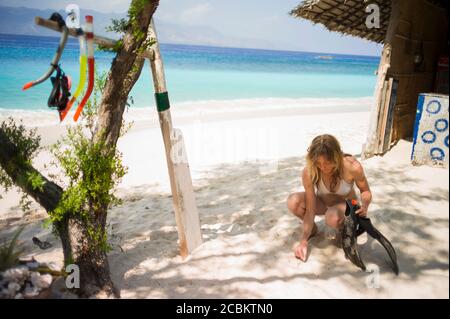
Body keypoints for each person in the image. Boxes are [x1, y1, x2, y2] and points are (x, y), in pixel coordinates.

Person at [286, 134, 372, 261]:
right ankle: (312, 230)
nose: (323, 167)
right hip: (324, 203)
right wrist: (303, 241)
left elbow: (365, 191)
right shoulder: (310, 171)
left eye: (327, 162)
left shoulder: (352, 166)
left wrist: (365, 206)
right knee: (293, 202)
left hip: (348, 205)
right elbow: (310, 209)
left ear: (336, 156)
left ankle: (344, 230)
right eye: (318, 163)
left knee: (332, 217)